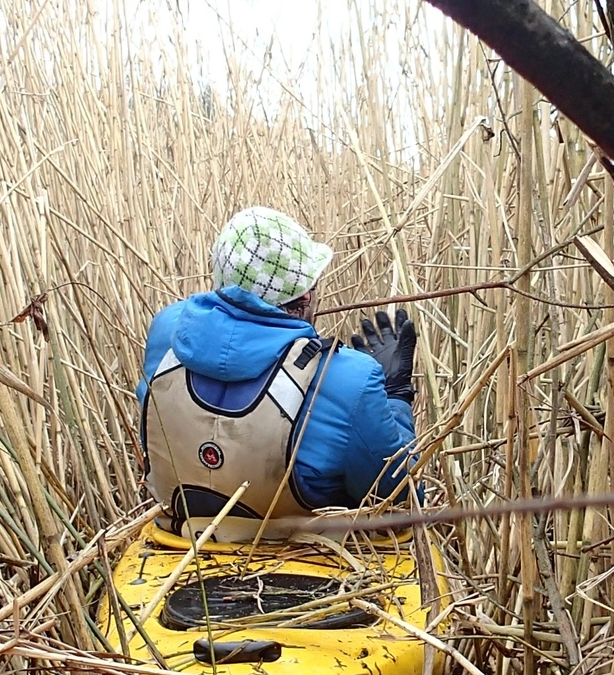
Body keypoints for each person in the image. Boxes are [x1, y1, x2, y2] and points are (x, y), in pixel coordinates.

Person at [137, 207, 417, 538]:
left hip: (186, 545)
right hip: (308, 560)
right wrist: (395, 396)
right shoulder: (349, 379)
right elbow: (400, 503)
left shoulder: (166, 333)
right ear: (307, 294)